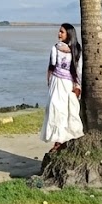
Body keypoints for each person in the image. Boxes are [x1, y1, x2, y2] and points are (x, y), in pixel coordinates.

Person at [40, 22, 84, 151]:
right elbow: (51, 66)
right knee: (54, 108)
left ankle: (64, 139)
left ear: (68, 34)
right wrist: (49, 81)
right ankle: (57, 139)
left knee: (66, 110)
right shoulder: (55, 48)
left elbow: (79, 69)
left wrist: (78, 86)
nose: (59, 34)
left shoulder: (76, 49)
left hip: (68, 83)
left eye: (62, 32)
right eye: (59, 31)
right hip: (56, 81)